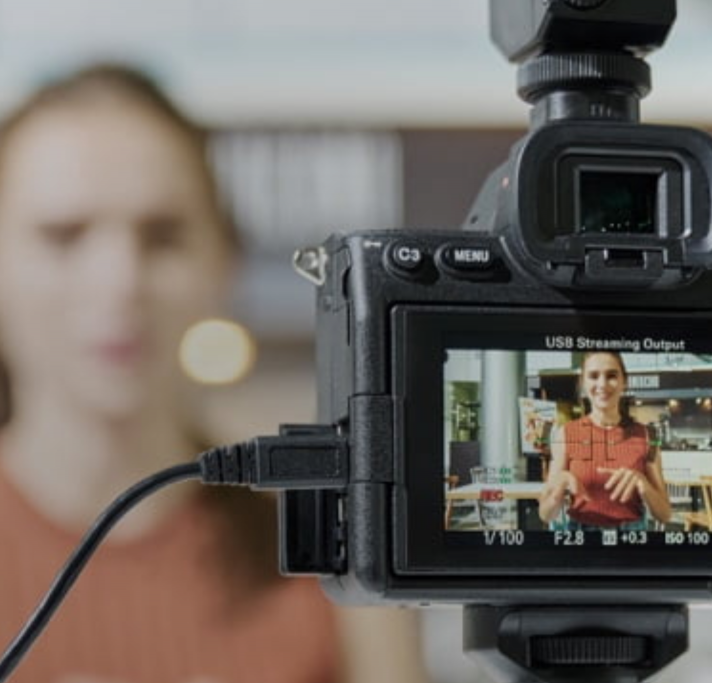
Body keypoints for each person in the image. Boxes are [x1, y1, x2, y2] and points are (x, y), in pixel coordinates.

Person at [0, 64, 428, 683]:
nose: (118, 283)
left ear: (222, 260)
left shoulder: (332, 546)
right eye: (64, 236)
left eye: (163, 236)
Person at [538, 352, 672, 529]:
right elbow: (545, 514)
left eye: (611, 376)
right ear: (583, 384)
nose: (602, 384)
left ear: (624, 382)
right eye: (593, 376)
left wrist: (642, 483)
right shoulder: (565, 434)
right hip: (580, 541)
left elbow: (665, 514)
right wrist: (559, 486)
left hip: (631, 542)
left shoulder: (647, 435)